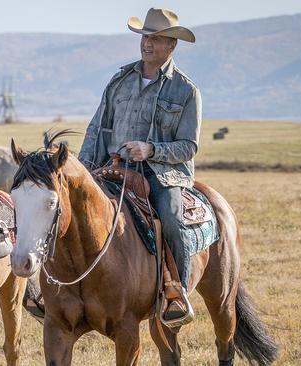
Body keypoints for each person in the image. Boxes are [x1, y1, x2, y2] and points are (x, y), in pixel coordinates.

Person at [78, 8, 201, 324]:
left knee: (172, 217)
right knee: (70, 211)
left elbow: (189, 147)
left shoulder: (185, 91)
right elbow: (97, 128)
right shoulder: (119, 81)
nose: (148, 44)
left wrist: (150, 149)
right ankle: (58, 289)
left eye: (157, 38)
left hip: (162, 173)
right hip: (113, 166)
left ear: (171, 46)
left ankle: (177, 292)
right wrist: (82, 170)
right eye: (146, 36)